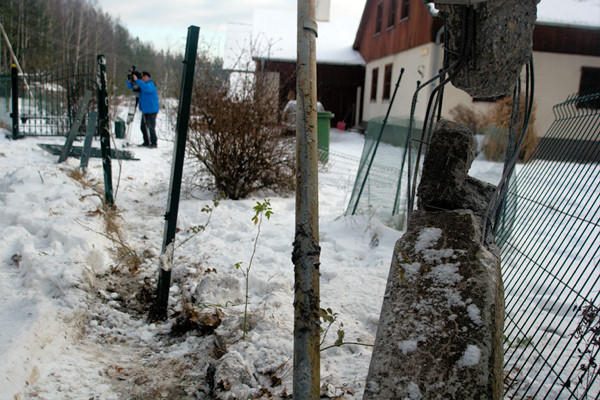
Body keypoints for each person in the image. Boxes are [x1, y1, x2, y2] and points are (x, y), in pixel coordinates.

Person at [127, 70, 159, 147]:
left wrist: (137, 80)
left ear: (148, 77)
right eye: (142, 77)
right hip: (145, 110)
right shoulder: (142, 84)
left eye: (144, 77)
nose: (143, 78)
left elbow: (147, 89)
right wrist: (130, 79)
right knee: (143, 127)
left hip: (152, 110)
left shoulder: (151, 84)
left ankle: (154, 143)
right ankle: (147, 142)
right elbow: (131, 86)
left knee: (151, 127)